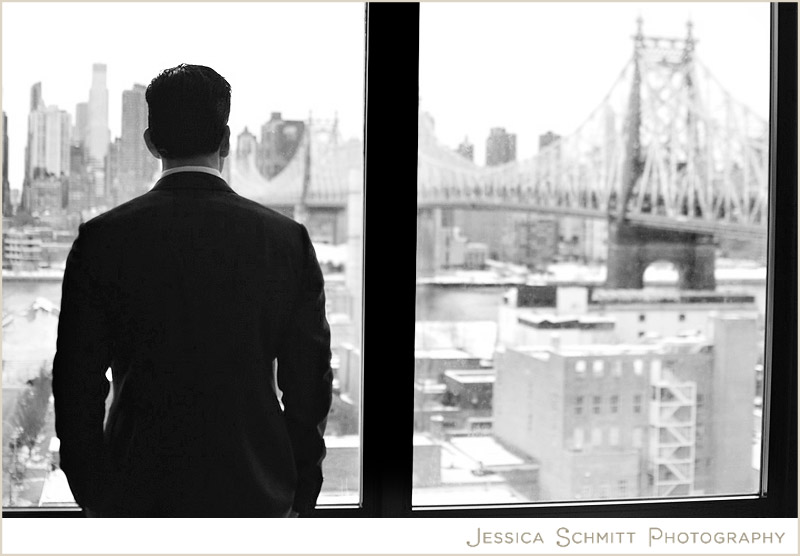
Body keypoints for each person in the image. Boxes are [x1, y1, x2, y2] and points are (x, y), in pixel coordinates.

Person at [52, 64, 333, 517]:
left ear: (150, 143)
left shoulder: (101, 240)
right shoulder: (286, 242)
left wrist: (95, 495)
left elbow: (74, 384)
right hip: (255, 496)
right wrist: (300, 496)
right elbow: (309, 386)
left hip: (135, 495)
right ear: (226, 141)